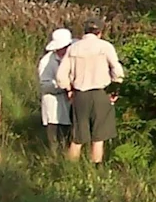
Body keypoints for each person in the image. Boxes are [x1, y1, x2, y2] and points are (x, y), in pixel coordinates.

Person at [55, 18, 126, 165]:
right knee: (98, 137)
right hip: (101, 93)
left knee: (78, 137)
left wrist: (68, 89)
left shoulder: (73, 48)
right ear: (100, 32)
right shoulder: (105, 47)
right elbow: (117, 71)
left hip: (80, 94)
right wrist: (114, 90)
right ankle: (95, 169)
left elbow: (61, 76)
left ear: (84, 31)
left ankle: (70, 168)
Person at [37, 27, 73, 153]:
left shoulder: (72, 57)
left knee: (70, 137)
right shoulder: (46, 61)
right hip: (53, 105)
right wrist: (62, 86)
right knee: (55, 140)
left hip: (70, 104)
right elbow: (44, 85)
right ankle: (54, 162)